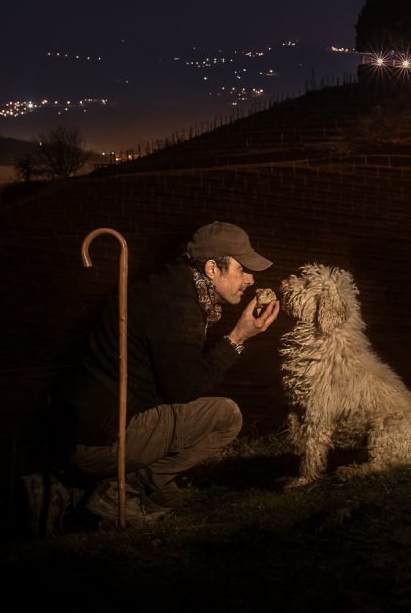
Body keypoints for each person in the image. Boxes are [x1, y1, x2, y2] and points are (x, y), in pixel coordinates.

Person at [44, 221, 281, 529]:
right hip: (101, 440)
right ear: (212, 269)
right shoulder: (177, 307)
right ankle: (121, 491)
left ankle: (98, 491)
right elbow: (184, 389)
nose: (250, 280)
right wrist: (238, 337)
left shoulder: (174, 287)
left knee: (172, 501)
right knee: (227, 416)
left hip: (84, 428)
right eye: (242, 269)